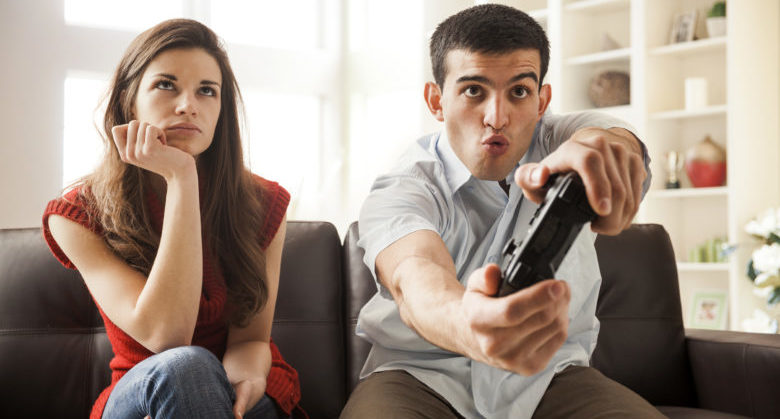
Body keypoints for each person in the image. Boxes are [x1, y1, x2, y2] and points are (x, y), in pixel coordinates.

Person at [341, 4, 661, 419]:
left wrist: (610, 154)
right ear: (437, 101)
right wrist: (468, 324)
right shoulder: (403, 188)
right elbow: (414, 278)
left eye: (519, 91)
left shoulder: (560, 141)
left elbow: (609, 138)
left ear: (542, 100)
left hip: (551, 379)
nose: (497, 117)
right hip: (420, 378)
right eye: (474, 90)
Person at [42, 19, 305, 419]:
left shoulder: (263, 203)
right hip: (144, 390)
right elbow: (168, 337)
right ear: (130, 99)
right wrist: (182, 177)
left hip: (244, 387)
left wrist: (237, 386)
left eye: (207, 91)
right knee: (186, 367)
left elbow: (251, 339)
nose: (188, 105)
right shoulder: (78, 215)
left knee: (207, 383)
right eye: (166, 85)